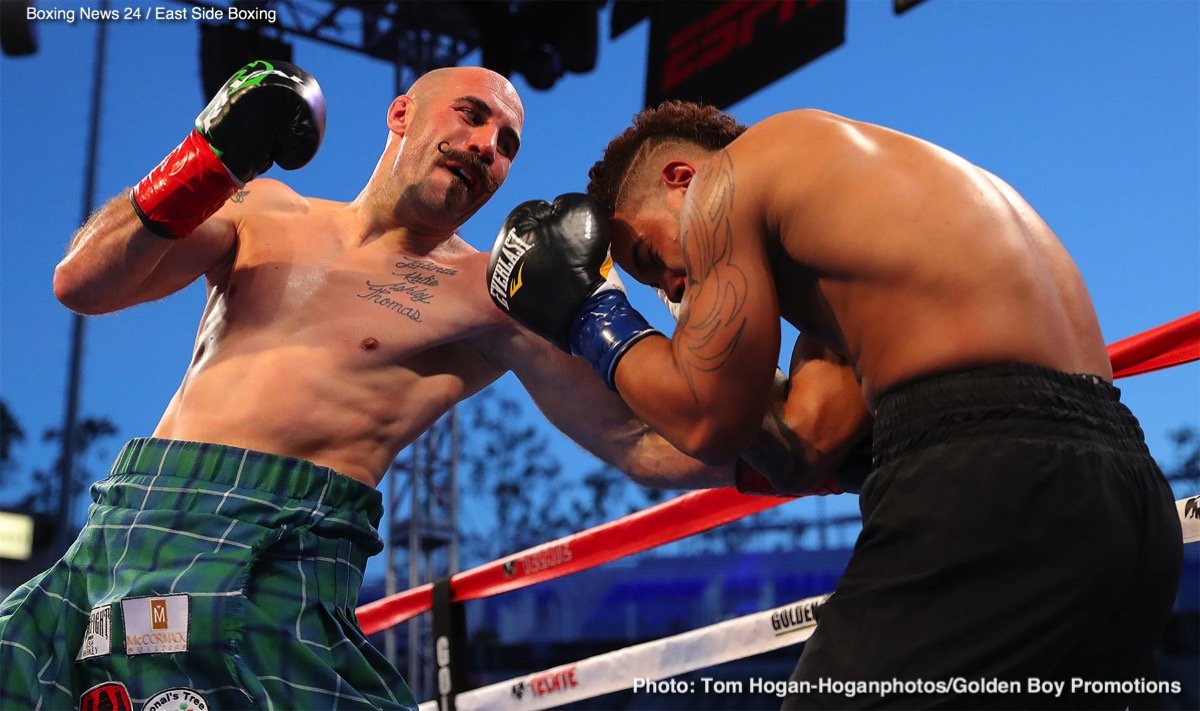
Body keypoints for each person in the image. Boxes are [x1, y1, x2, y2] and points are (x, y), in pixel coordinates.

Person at [0, 63, 782, 710]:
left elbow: (642, 438)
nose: (486, 147)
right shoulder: (266, 209)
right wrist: (205, 157)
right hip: (127, 527)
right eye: (471, 117)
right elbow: (84, 283)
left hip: (280, 563)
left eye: (506, 143)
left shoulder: (493, 289)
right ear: (401, 113)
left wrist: (822, 444)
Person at [487, 101, 1184, 708]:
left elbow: (708, 417)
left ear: (681, 179)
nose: (671, 285)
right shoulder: (882, 216)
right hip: (1130, 502)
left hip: (994, 480)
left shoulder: (730, 179)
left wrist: (592, 313)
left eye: (648, 255)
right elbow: (801, 444)